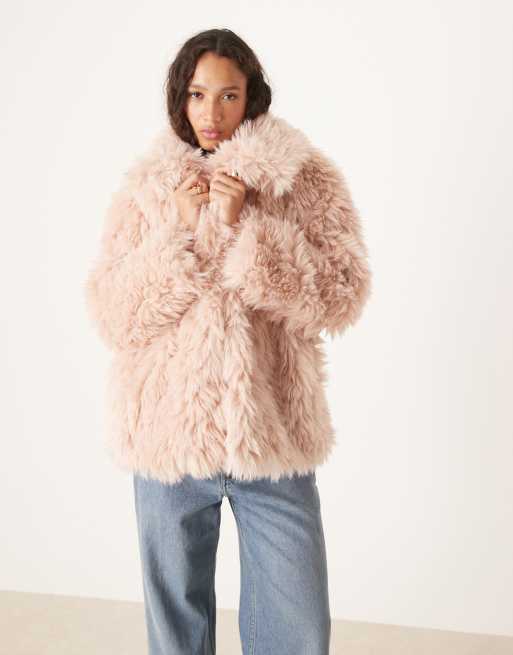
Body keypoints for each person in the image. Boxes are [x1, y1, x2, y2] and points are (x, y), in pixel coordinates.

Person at [84, 27, 372, 655]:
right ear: (179, 98)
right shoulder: (149, 187)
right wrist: (182, 235)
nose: (211, 113)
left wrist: (247, 230)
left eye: (228, 95)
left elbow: (342, 294)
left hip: (270, 436)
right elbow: (114, 313)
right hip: (168, 440)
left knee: (298, 627)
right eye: (197, 95)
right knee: (176, 632)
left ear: (252, 97)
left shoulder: (302, 178)